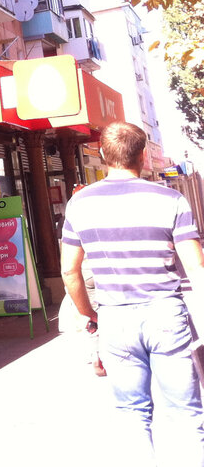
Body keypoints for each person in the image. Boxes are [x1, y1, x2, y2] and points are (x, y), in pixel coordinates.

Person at [61, 121, 204, 465]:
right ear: (142, 156)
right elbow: (197, 269)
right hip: (166, 315)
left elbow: (69, 271)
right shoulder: (171, 199)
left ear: (102, 154)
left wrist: (91, 316)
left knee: (132, 414)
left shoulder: (80, 204)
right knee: (186, 413)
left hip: (115, 318)